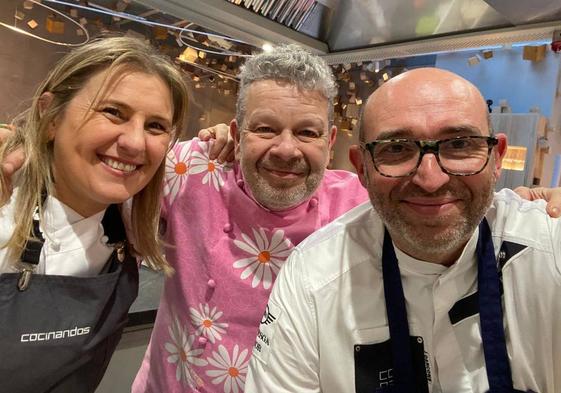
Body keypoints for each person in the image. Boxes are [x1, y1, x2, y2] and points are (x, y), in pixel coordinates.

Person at [132, 45, 561, 392]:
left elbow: (445, 200)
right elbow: (108, 185)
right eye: (264, 129)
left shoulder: (364, 198)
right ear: (238, 132)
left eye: (307, 131)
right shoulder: (192, 168)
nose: (286, 149)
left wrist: (525, 202)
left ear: (332, 141)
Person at [244, 68, 561, 392]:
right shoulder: (312, 279)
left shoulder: (548, 248)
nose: (431, 179)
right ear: (362, 168)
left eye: (460, 143)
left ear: (497, 159)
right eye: (396, 148)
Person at [0, 36, 188, 393]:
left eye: (155, 126)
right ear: (50, 115)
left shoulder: (126, 228)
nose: (134, 142)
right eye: (113, 112)